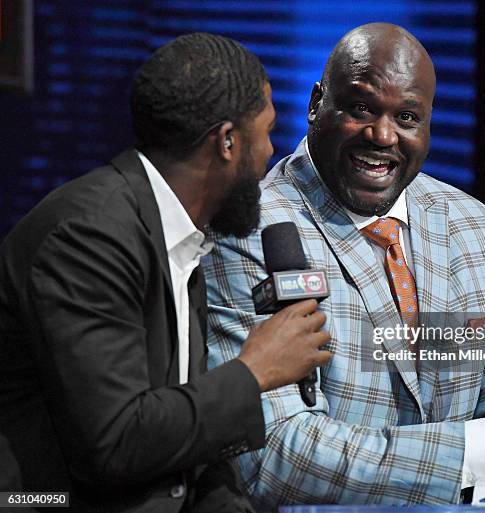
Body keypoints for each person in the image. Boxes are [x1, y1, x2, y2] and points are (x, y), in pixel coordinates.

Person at [203, 23, 485, 506]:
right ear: (317, 104)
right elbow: (270, 454)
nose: (383, 136)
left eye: (407, 117)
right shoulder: (249, 229)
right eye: (362, 108)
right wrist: (483, 443)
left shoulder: (474, 227)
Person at [0, 33, 331, 512]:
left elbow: (188, 437)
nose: (270, 153)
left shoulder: (178, 231)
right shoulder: (89, 236)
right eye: (266, 131)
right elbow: (115, 442)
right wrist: (254, 371)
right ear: (227, 142)